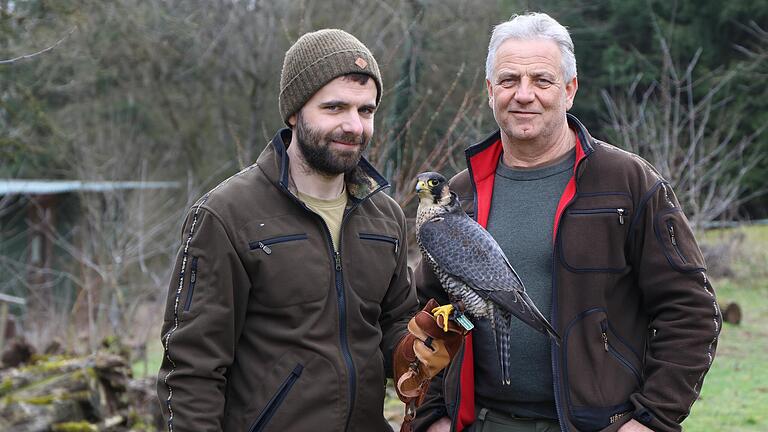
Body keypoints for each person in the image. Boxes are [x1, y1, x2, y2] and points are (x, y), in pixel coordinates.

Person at [413, 13, 721, 432]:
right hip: (483, 422)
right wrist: (435, 416)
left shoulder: (627, 183)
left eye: (542, 80)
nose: (524, 95)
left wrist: (652, 419)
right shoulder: (460, 193)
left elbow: (692, 311)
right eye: (508, 81)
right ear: (489, 91)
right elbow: (430, 313)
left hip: (598, 425)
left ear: (570, 89)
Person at [157, 29, 450, 431]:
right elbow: (190, 371)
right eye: (335, 108)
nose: (354, 126)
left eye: (366, 111)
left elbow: (392, 324)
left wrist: (414, 349)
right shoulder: (227, 216)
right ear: (294, 112)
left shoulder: (386, 216)